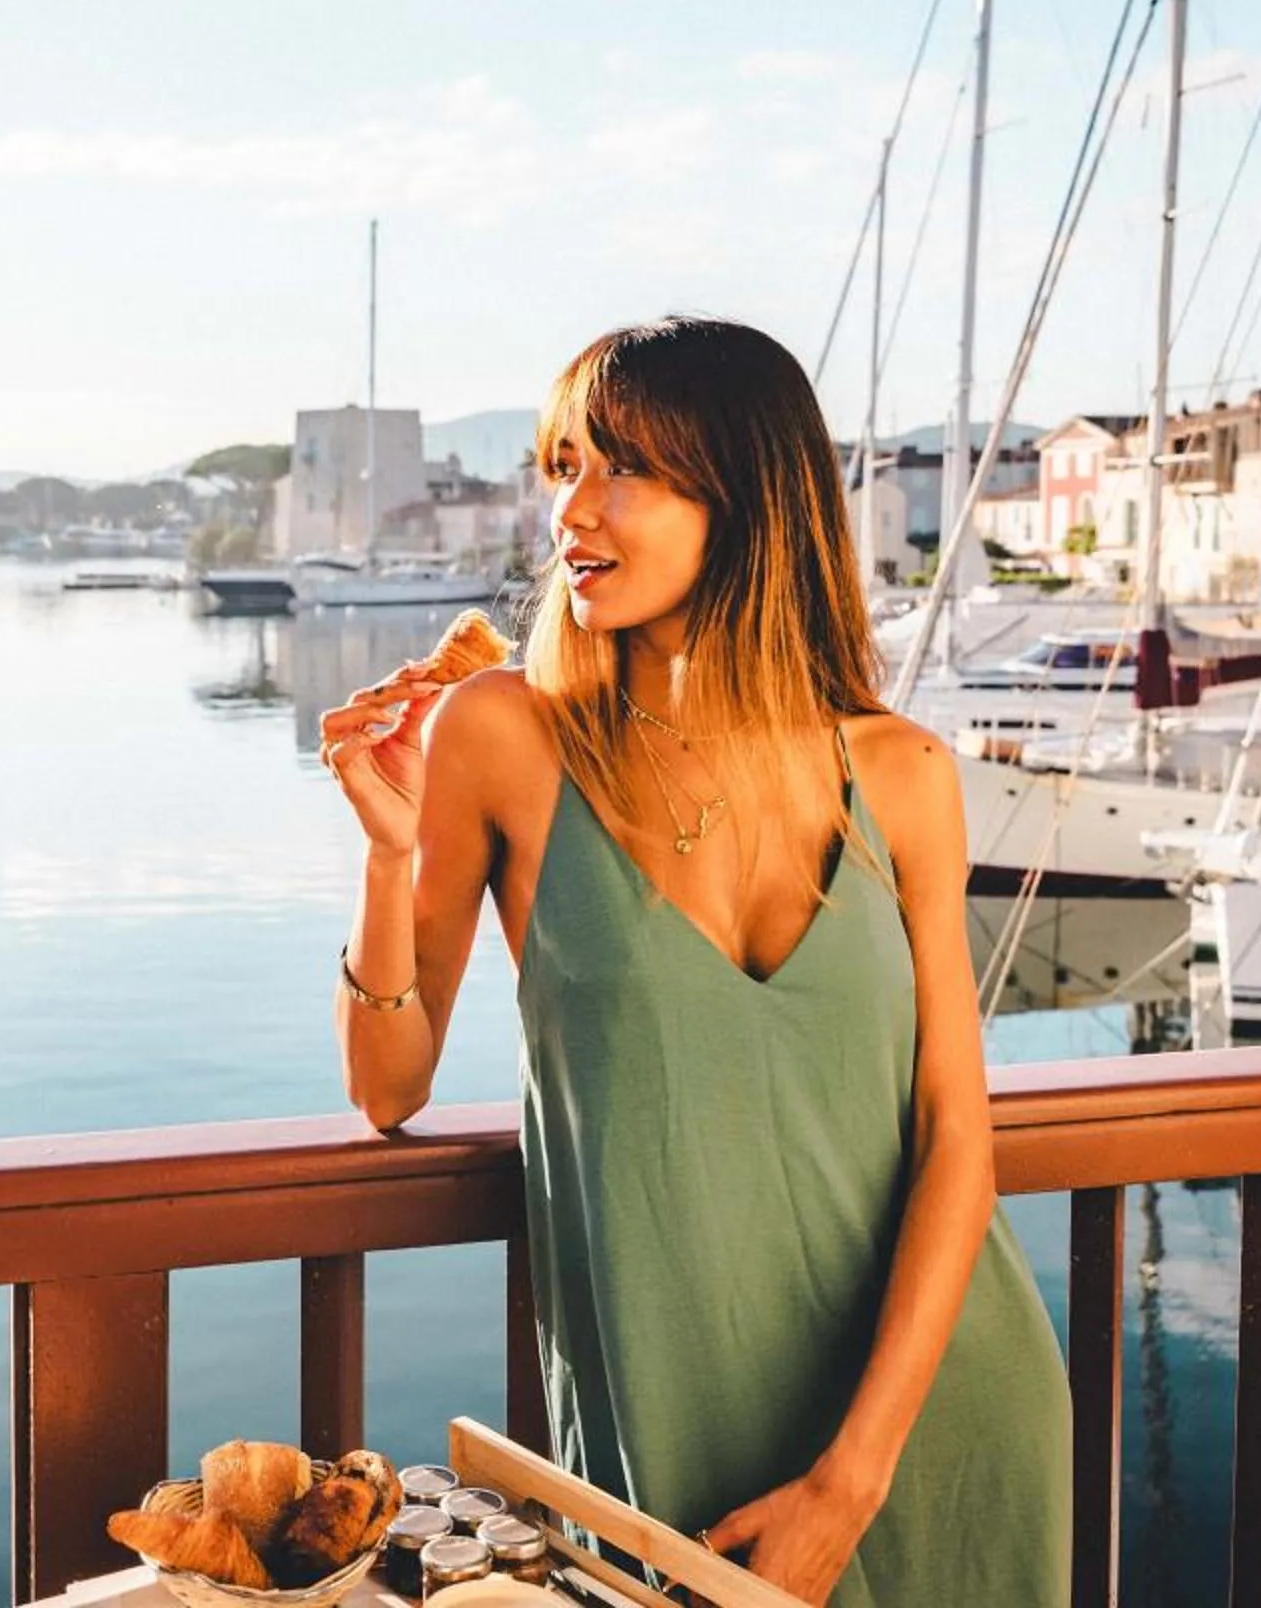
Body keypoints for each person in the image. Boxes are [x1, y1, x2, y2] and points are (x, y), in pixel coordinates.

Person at [320, 317, 1067, 1604]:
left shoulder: (905, 774)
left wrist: (850, 1480)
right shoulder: (502, 735)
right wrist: (390, 860)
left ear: (750, 499)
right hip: (671, 1438)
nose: (575, 509)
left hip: (933, 1427)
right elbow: (387, 1088)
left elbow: (957, 1133)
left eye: (627, 470)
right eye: (563, 464)